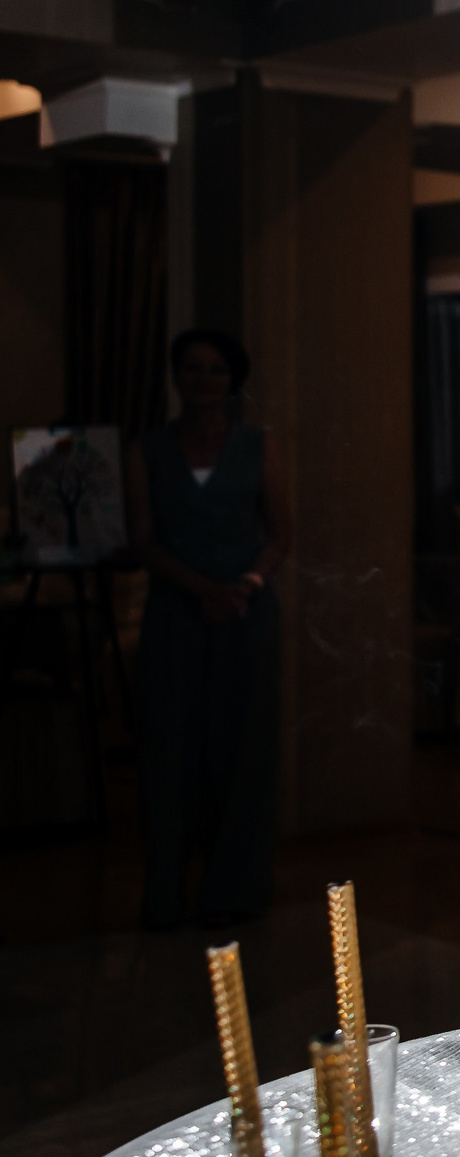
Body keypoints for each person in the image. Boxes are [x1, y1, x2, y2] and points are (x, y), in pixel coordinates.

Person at [129, 329, 291, 929]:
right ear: (176, 377)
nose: (204, 380)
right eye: (193, 368)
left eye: (216, 370)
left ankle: (235, 894)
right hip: (175, 615)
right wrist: (203, 590)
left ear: (233, 380)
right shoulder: (148, 450)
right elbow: (142, 540)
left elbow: (280, 534)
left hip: (245, 615)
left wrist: (243, 587)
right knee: (169, 753)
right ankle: (165, 894)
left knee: (244, 753)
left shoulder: (258, 445)